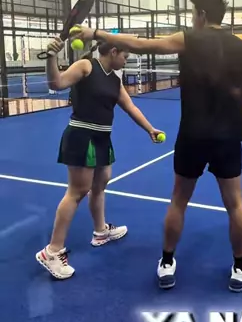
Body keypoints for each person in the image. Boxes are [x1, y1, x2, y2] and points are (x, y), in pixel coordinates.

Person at [72, 0, 242, 293]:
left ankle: (166, 263)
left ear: (202, 15)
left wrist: (95, 33)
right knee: (235, 205)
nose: (192, 18)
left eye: (193, 13)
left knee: (178, 201)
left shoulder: (187, 39)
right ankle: (240, 269)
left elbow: (140, 44)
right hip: (228, 138)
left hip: (191, 136)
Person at [36, 40, 163, 280]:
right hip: (82, 136)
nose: (126, 61)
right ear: (113, 52)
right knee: (77, 192)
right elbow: (56, 83)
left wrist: (150, 129)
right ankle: (51, 251)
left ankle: (100, 231)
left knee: (100, 184)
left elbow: (130, 107)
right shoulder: (86, 66)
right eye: (125, 56)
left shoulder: (114, 80)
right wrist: (51, 57)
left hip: (102, 138)